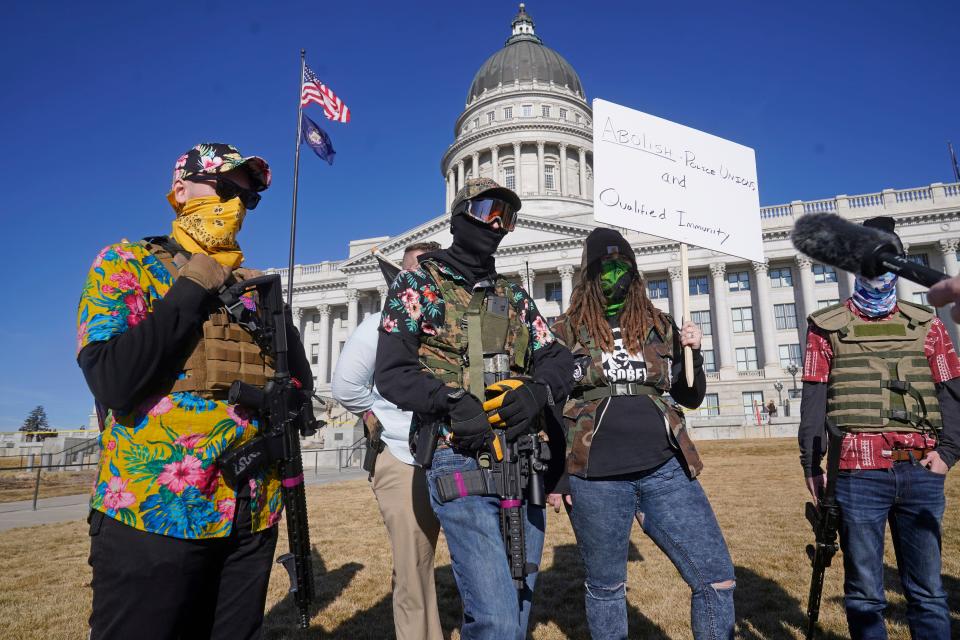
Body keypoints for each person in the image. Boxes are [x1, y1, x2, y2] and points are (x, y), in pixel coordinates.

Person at [76, 143, 314, 639]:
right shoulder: (128, 263)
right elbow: (113, 379)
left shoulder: (255, 292)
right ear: (180, 190)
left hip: (251, 512)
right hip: (156, 509)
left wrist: (289, 396)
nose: (234, 207)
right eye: (224, 189)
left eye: (246, 200)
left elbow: (299, 388)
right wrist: (193, 284)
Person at [375, 178, 574, 640]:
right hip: (455, 453)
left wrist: (537, 392)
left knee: (518, 606)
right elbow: (392, 372)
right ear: (460, 213)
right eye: (488, 210)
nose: (498, 224)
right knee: (497, 619)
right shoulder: (417, 284)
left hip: (522, 459)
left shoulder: (514, 295)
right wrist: (448, 402)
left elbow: (560, 359)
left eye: (508, 216)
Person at [547, 227, 735, 640]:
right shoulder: (563, 331)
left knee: (716, 577)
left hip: (665, 468)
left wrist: (695, 354)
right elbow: (550, 408)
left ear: (635, 272)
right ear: (587, 276)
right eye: (604, 268)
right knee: (607, 588)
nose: (614, 275)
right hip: (594, 477)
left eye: (623, 267)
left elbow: (689, 395)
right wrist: (557, 476)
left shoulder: (657, 324)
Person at [798, 216, 960, 639]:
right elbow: (814, 398)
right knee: (866, 594)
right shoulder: (825, 326)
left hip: (920, 471)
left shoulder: (928, 324)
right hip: (856, 473)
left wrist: (947, 454)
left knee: (927, 593)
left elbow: (953, 393)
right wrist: (811, 464)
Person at [331, 241, 444, 640]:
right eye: (412, 272)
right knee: (413, 563)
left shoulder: (457, 320)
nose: (421, 281)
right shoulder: (377, 325)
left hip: (458, 452)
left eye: (432, 270)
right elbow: (345, 385)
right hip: (402, 453)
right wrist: (381, 415)